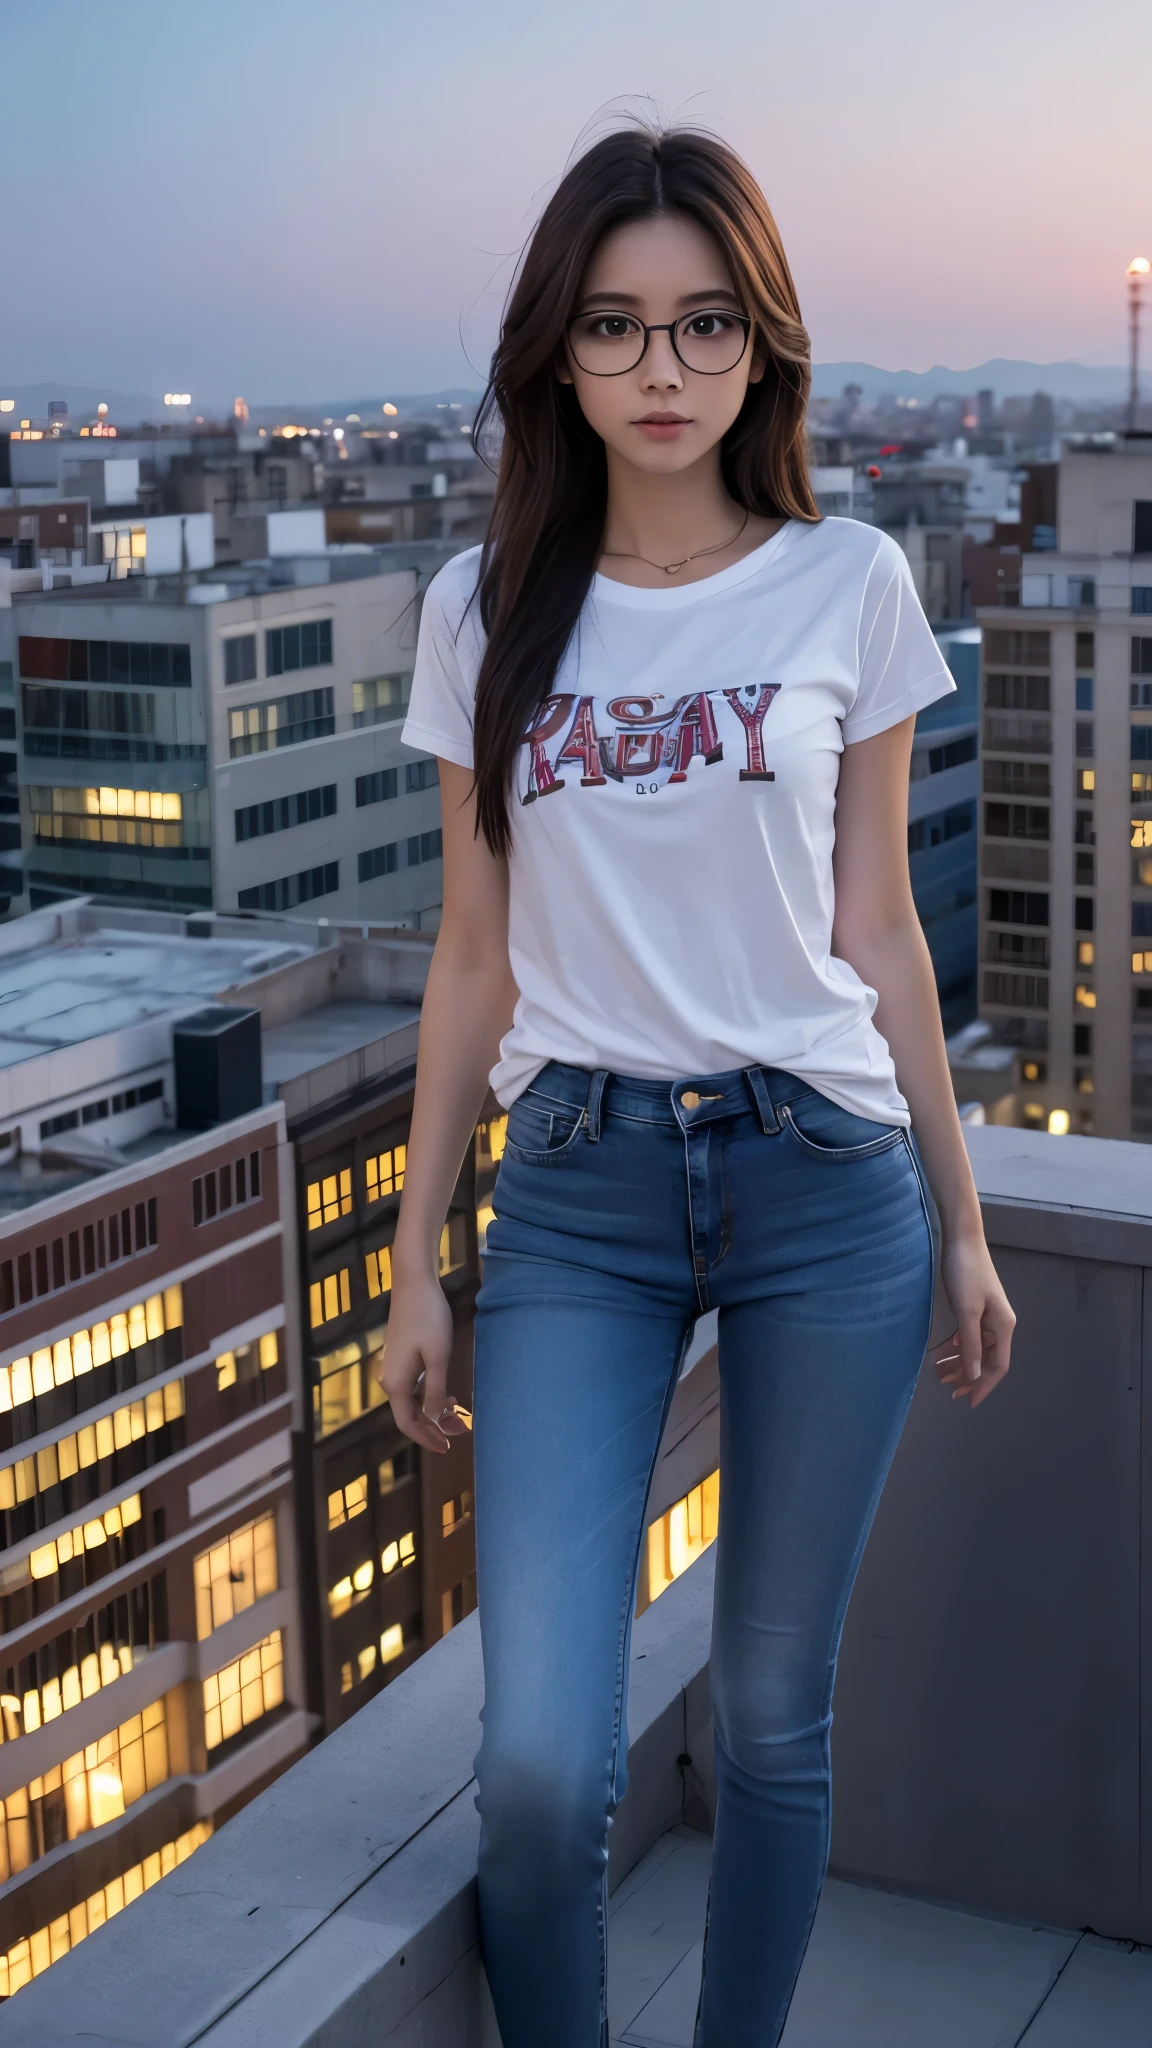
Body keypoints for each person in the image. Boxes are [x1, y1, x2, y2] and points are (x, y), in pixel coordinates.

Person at [379, 123, 1015, 2048]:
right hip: (575, 1186)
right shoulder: (484, 612)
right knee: (543, 1760)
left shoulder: (849, 583)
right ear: (557, 356)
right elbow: (470, 963)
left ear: (765, 350)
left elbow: (885, 933)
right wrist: (413, 1261)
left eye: (704, 326)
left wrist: (967, 1221)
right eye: (616, 328)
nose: (661, 371)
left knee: (766, 1714)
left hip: (827, 1177)